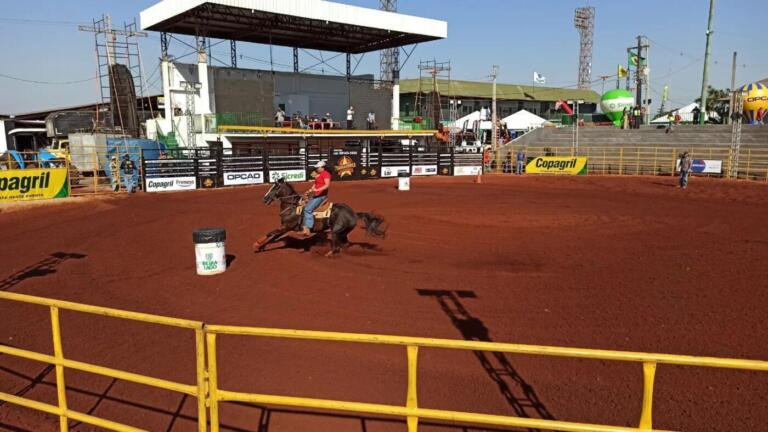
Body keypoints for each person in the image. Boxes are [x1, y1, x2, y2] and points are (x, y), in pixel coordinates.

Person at [301, 160, 332, 236]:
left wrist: (317, 190)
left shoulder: (326, 174)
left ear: (322, 167)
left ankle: (308, 227)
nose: (317, 169)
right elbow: (315, 184)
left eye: (318, 167)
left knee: (308, 209)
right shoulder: (319, 174)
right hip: (316, 195)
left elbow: (327, 185)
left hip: (321, 196)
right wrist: (310, 190)